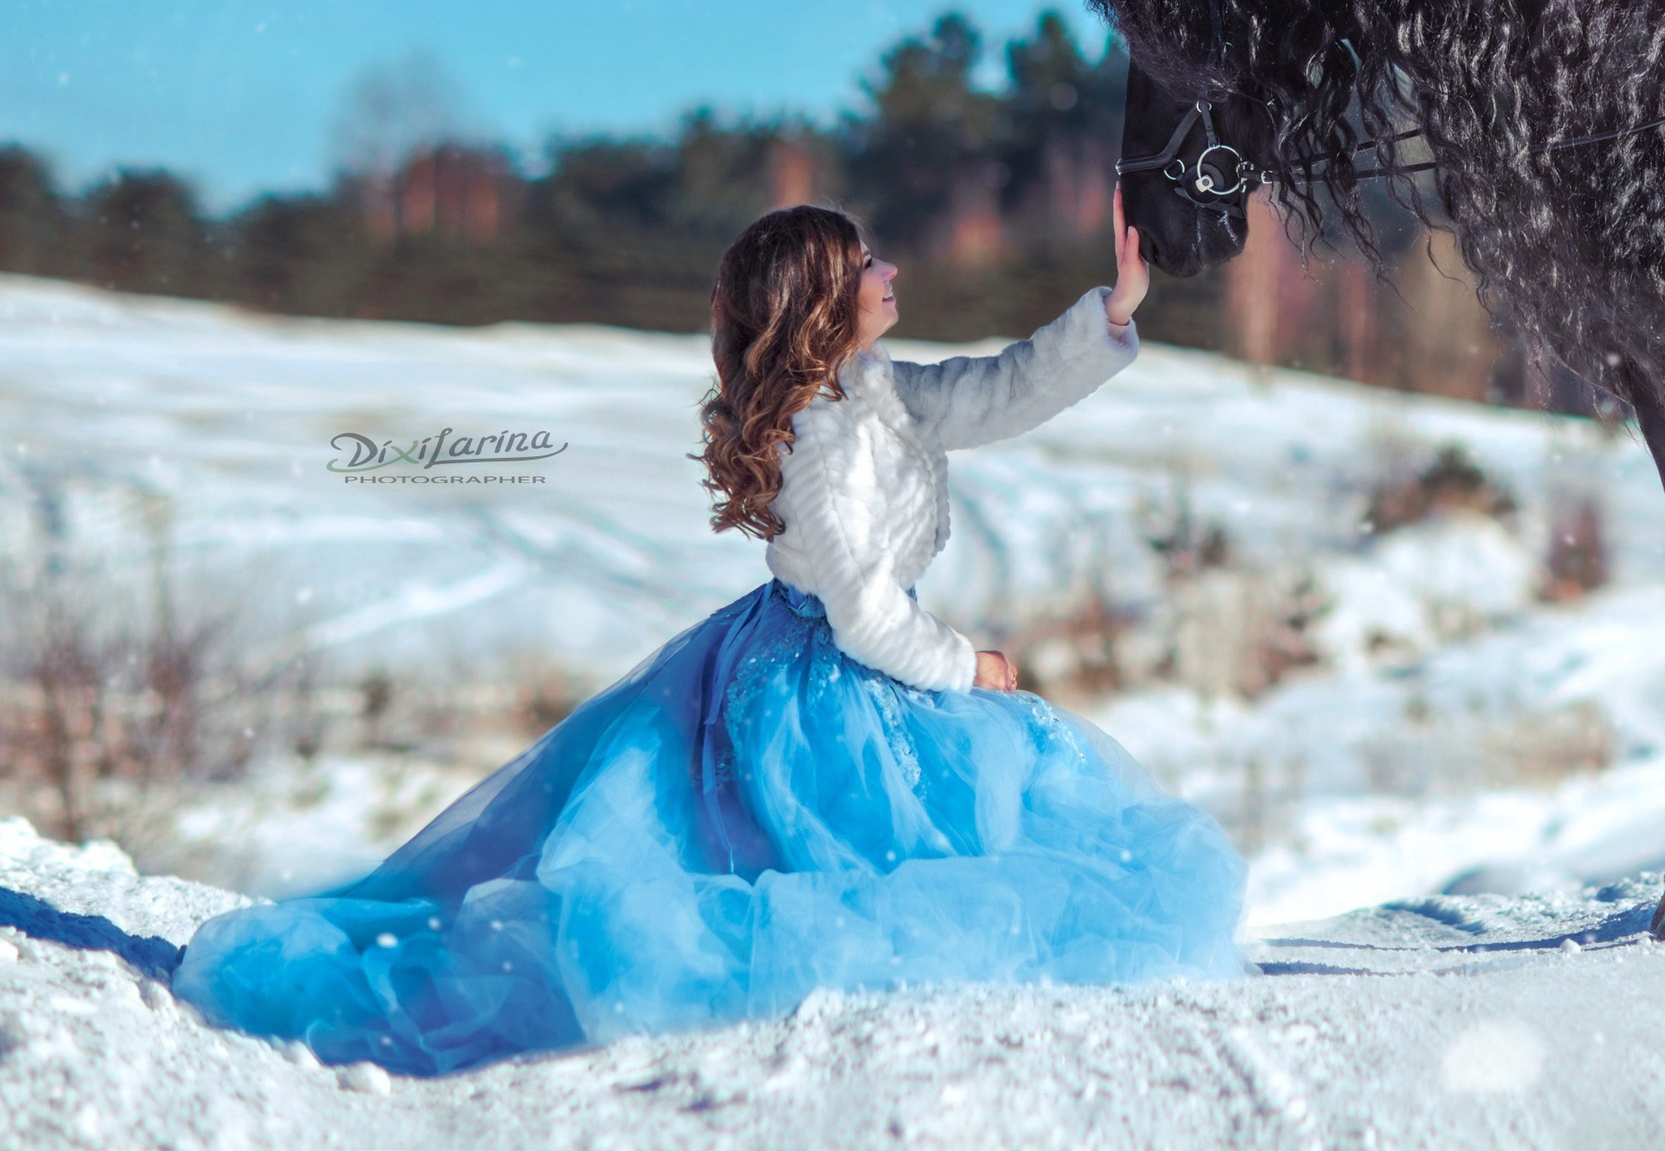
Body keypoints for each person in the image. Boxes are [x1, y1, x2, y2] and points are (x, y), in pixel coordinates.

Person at [173, 192, 1249, 1075]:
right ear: (822, 305)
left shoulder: (875, 391)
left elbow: (998, 390)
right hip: (827, 676)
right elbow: (867, 614)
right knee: (836, 855)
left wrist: (1111, 312)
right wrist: (971, 667)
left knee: (910, 829)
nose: (887, 272)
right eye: (864, 263)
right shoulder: (823, 444)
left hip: (824, 655)